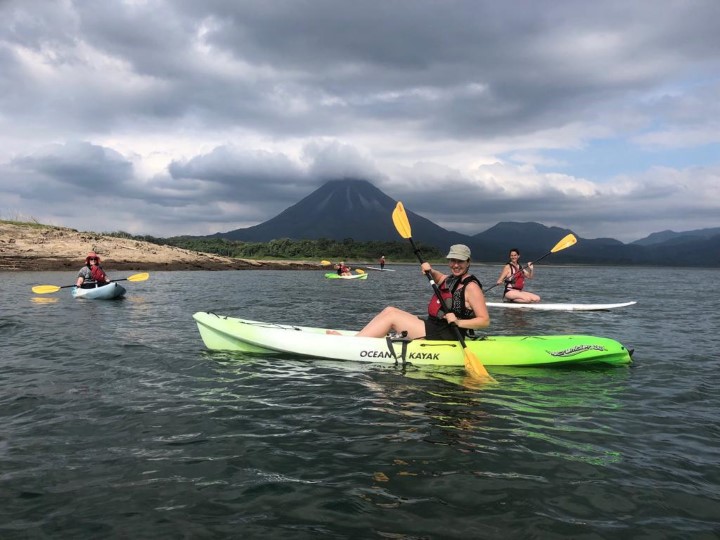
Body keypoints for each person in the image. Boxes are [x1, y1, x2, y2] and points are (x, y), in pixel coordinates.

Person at [355, 244, 489, 339]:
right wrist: (430, 270)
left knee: (392, 316)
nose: (455, 265)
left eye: (460, 261)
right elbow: (440, 278)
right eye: (452, 261)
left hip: (448, 333)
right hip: (435, 327)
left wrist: (458, 322)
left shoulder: (471, 287)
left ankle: (355, 344)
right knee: (390, 310)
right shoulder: (452, 279)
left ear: (468, 262)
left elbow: (484, 321)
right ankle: (359, 338)